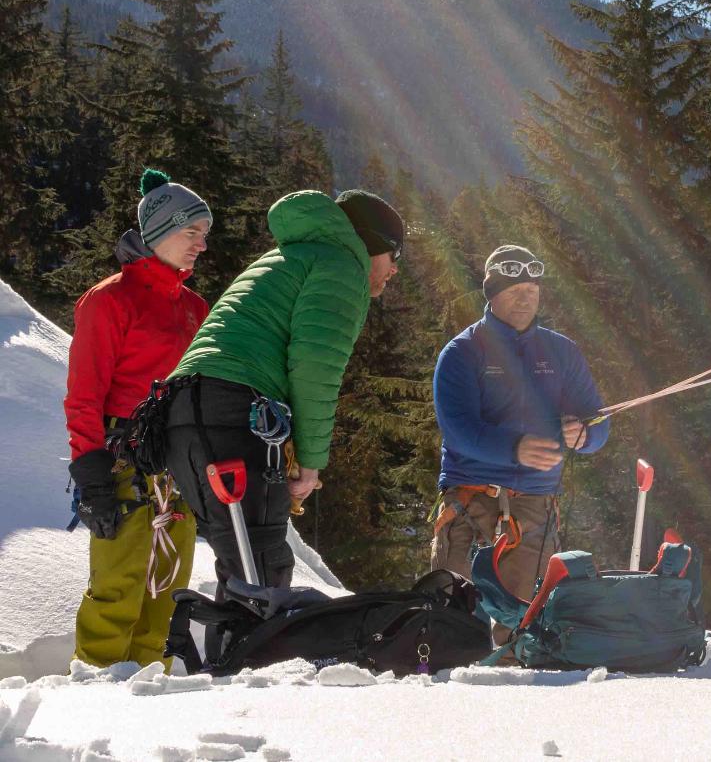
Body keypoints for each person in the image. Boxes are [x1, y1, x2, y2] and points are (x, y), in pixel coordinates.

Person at [163, 189, 402, 603]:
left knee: (243, 570)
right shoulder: (341, 265)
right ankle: (246, 664)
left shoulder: (286, 258)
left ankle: (229, 664)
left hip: (183, 413)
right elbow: (314, 368)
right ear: (369, 243)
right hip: (234, 414)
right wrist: (310, 463)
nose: (395, 269)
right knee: (262, 572)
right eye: (394, 253)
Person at [65, 169, 211, 668]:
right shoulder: (109, 300)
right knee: (117, 591)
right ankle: (92, 701)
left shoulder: (195, 307)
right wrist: (91, 472)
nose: (201, 245)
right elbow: (84, 395)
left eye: (204, 235)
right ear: (161, 230)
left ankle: (150, 703)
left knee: (166, 598)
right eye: (192, 232)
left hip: (178, 468)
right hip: (122, 462)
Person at [431, 245, 610, 624]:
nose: (525, 296)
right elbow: (458, 430)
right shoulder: (463, 352)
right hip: (471, 499)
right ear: (492, 293)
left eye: (532, 288)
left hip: (534, 505)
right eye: (514, 289)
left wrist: (585, 435)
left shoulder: (562, 351)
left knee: (522, 625)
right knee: (454, 618)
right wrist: (515, 449)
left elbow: (598, 421)